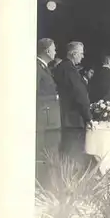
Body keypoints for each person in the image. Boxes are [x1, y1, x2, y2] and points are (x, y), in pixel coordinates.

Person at [53, 41, 93, 167]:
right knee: (74, 157)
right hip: (73, 120)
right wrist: (88, 117)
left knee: (66, 156)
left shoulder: (61, 67)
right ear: (73, 53)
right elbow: (79, 95)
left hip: (65, 118)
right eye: (81, 53)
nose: (82, 56)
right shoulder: (70, 69)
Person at [36, 38, 62, 181]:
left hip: (51, 119)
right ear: (47, 50)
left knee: (52, 154)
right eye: (54, 49)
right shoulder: (37, 67)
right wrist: (54, 98)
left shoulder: (44, 67)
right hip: (45, 119)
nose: (55, 52)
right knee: (48, 155)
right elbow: (35, 93)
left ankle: (51, 186)